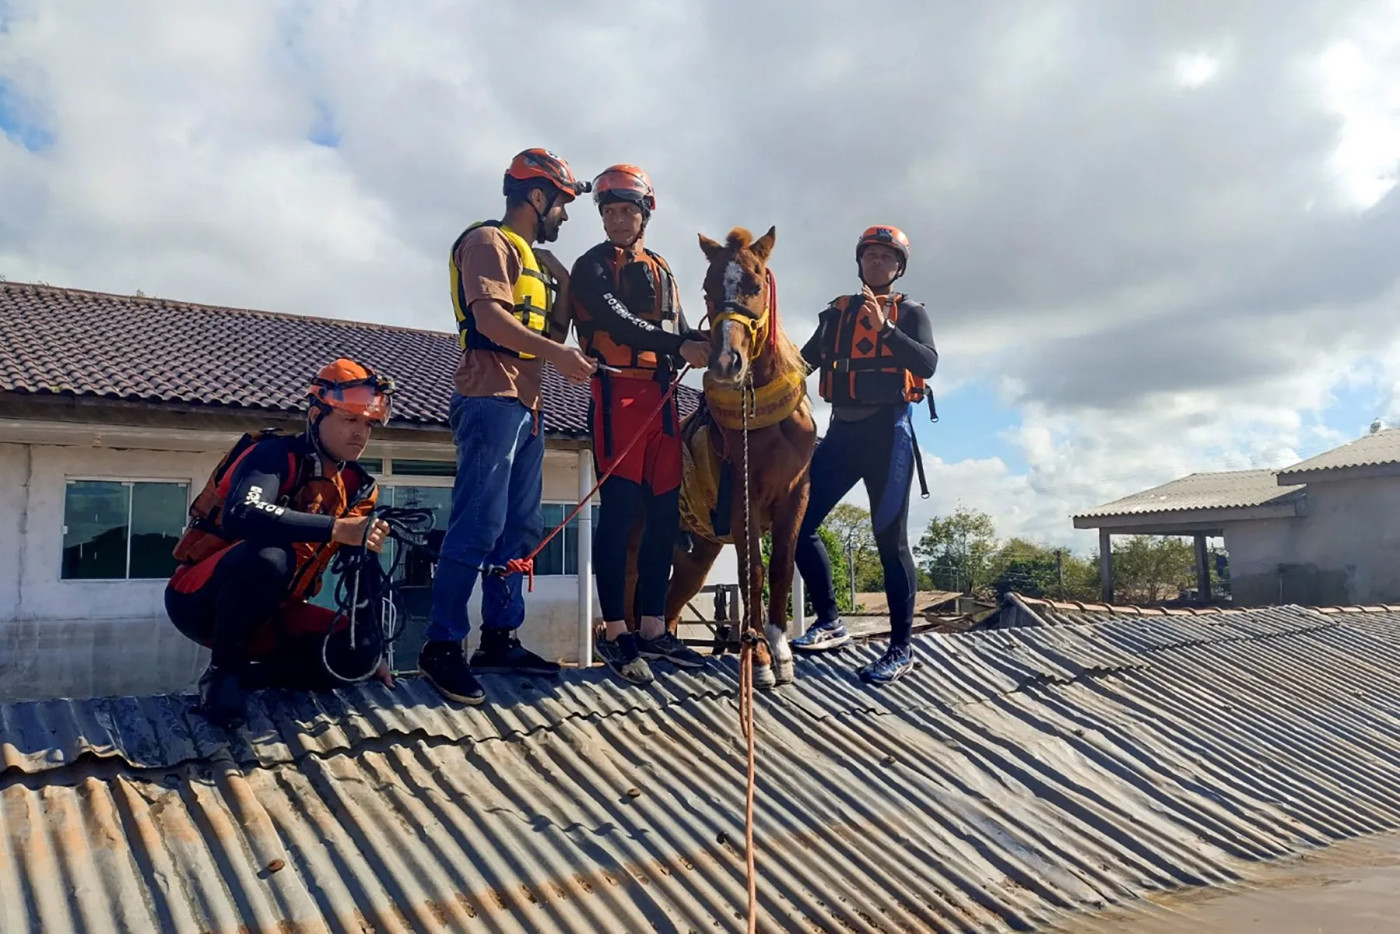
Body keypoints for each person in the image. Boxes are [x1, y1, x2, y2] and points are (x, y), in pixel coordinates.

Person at [420, 148, 597, 706]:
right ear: (537, 197)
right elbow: (492, 318)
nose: (565, 217)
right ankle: (441, 645)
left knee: (518, 528)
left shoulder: (539, 263)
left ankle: (500, 637)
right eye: (563, 204)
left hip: (528, 405)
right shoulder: (487, 243)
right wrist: (559, 355)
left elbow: (569, 319)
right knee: (478, 521)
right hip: (489, 397)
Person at [166, 358, 397, 729]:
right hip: (201, 599)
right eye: (350, 420)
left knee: (359, 656)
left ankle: (252, 676)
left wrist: (374, 651)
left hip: (277, 612)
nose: (360, 434)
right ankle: (222, 675)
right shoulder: (275, 455)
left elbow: (362, 572)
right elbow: (242, 512)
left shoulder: (360, 487)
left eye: (368, 424)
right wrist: (336, 528)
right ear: (316, 414)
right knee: (271, 556)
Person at [568, 164, 711, 685]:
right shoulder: (592, 267)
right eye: (609, 211)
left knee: (663, 516)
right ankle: (615, 630)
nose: (618, 219)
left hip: (664, 398)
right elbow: (614, 321)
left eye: (628, 210)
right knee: (621, 515)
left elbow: (676, 327)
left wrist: (713, 340)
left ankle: (654, 628)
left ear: (645, 213)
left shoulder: (662, 267)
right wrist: (679, 345)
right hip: (618, 395)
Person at [790, 225, 939, 685]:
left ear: (899, 267)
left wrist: (885, 329)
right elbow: (802, 363)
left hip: (888, 434)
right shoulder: (836, 314)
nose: (877, 263)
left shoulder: (911, 312)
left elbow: (928, 364)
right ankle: (831, 622)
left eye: (885, 257)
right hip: (842, 434)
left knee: (890, 543)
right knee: (797, 524)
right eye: (870, 256)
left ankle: (901, 648)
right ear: (860, 262)